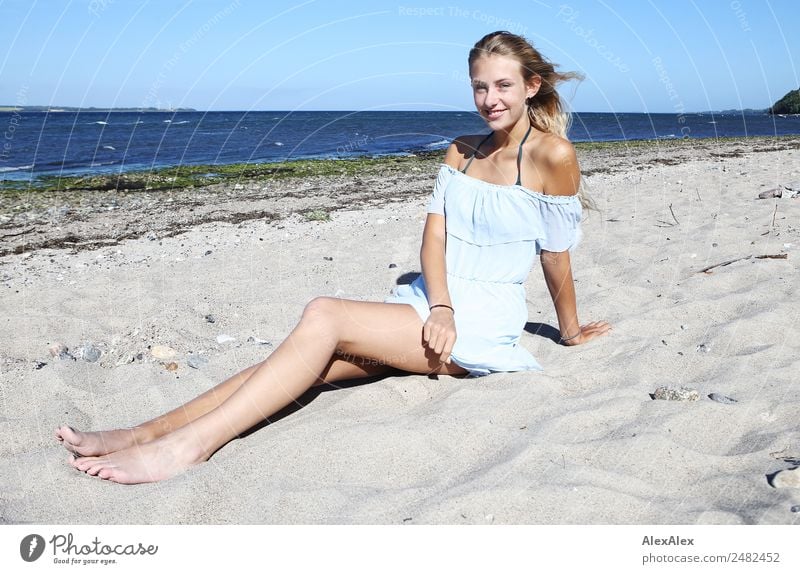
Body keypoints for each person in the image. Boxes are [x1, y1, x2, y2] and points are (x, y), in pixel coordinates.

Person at [56, 31, 611, 484]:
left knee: (324, 314)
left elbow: (555, 255)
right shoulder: (460, 150)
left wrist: (568, 330)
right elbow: (433, 240)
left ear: (532, 86)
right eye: (479, 87)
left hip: (482, 320)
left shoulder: (553, 154)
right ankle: (140, 434)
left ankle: (185, 449)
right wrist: (438, 303)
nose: (490, 99)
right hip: (431, 304)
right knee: (298, 365)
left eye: (503, 86)